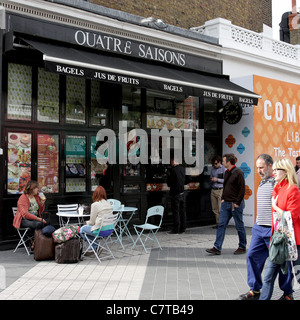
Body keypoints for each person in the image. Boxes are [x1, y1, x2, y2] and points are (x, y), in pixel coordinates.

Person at [238, 154, 292, 300]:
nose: (259, 171)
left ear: (270, 166)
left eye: (261, 167)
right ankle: (255, 289)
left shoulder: (277, 183)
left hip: (273, 230)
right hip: (258, 228)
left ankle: (288, 293)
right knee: (252, 256)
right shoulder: (262, 182)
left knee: (280, 261)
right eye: (257, 168)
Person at [259, 158, 300, 300]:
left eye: (277, 169)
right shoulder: (276, 188)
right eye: (274, 169)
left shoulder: (292, 189)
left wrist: (275, 207)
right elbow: (274, 215)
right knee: (268, 277)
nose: (274, 172)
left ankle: (288, 295)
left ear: (286, 171)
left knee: (294, 275)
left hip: (291, 241)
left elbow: (292, 216)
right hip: (277, 240)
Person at [206, 153, 246, 255]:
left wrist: (237, 203)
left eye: (223, 161)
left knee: (239, 225)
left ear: (228, 162)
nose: (222, 162)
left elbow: (242, 189)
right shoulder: (227, 172)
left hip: (234, 204)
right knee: (221, 224)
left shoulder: (239, 172)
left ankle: (242, 246)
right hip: (225, 203)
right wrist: (223, 198)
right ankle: (217, 247)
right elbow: (225, 186)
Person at [80, 185, 113, 253]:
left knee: (82, 230)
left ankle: (95, 247)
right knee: (89, 229)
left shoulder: (95, 204)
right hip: (109, 229)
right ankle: (93, 248)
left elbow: (92, 222)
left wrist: (86, 222)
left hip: (100, 230)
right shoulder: (108, 204)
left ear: (95, 194)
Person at [167, 157, 186, 234]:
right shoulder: (183, 169)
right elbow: (189, 178)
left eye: (171, 161)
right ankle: (183, 228)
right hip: (182, 193)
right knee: (182, 211)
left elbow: (169, 183)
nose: (171, 162)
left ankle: (176, 229)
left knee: (176, 212)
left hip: (175, 193)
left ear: (173, 161)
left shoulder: (173, 170)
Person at [210, 155, 226, 228]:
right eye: (214, 164)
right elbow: (210, 177)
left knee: (220, 208)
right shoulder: (212, 169)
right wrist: (211, 179)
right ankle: (217, 223)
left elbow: (225, 180)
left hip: (220, 190)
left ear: (219, 162)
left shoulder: (223, 169)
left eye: (216, 164)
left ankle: (222, 224)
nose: (215, 165)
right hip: (213, 189)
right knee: (214, 208)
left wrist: (217, 180)